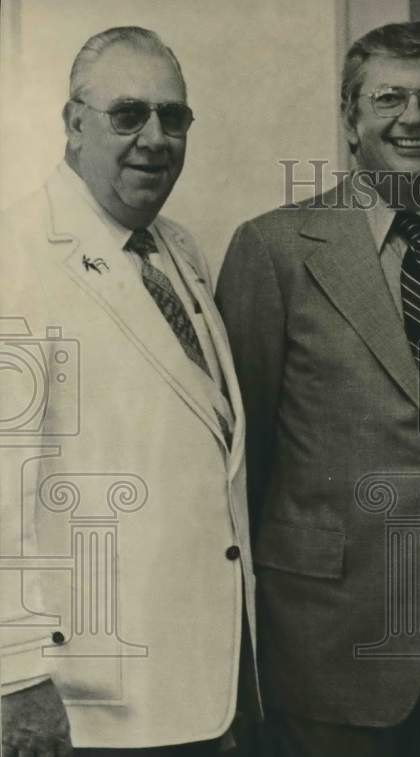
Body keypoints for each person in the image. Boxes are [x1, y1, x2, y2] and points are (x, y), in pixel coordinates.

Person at [215, 21, 420, 757]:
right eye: (389, 98)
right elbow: (237, 467)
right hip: (325, 636)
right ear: (349, 114)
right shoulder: (275, 248)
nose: (413, 119)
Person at [0, 26, 256, 756]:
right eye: (127, 114)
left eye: (172, 117)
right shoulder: (16, 252)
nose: (154, 138)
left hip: (202, 687)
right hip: (85, 704)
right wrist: (15, 675)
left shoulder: (178, 249)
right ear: (73, 122)